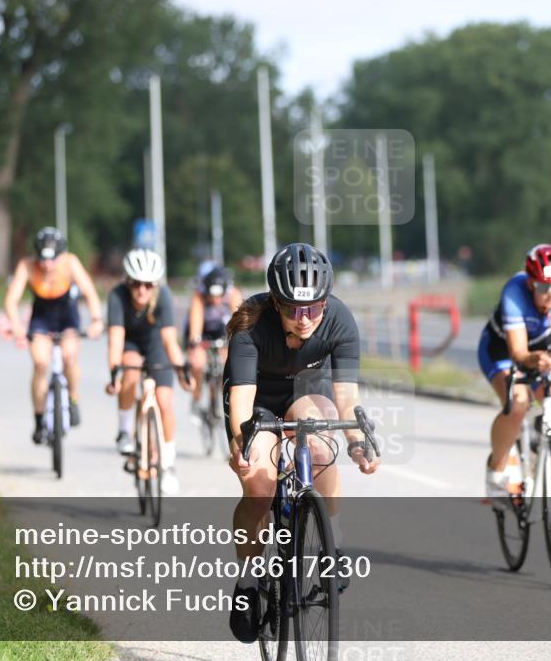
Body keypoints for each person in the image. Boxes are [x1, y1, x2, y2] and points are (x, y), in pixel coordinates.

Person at [223, 242, 380, 643]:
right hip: (256, 400)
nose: (305, 318)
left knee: (321, 446)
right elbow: (241, 400)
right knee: (259, 489)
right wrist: (242, 445)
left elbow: (346, 396)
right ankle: (248, 582)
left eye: (314, 307)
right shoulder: (251, 325)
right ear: (276, 303)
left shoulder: (339, 319)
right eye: (294, 309)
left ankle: (333, 541)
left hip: (307, 391)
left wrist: (357, 442)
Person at [476, 244, 551, 501]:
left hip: (543, 347)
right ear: (530, 284)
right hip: (502, 349)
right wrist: (533, 360)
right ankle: (497, 469)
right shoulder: (514, 293)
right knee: (517, 405)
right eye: (543, 287)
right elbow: (519, 354)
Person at [4, 227, 104, 445]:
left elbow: (89, 291)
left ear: (60, 255)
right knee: (40, 363)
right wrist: (16, 325)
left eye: (52, 260)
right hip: (41, 318)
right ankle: (39, 419)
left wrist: (96, 320)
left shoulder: (70, 263)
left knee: (70, 356)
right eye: (42, 259)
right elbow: (11, 299)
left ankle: (73, 399)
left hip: (67, 317)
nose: (47, 265)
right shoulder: (27, 266)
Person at [105, 248, 191, 494]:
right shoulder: (117, 296)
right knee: (131, 371)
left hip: (156, 343)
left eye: (148, 285)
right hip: (130, 343)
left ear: (156, 284)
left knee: (164, 400)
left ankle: (168, 464)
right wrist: (114, 375)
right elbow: (115, 340)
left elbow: (170, 340)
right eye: (136, 284)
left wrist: (182, 371)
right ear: (127, 281)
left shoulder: (163, 295)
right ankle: (124, 431)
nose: (142, 290)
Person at [185, 265, 243, 414]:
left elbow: (240, 324)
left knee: (228, 360)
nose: (216, 300)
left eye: (219, 296)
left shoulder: (233, 294)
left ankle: (223, 396)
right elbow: (195, 325)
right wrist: (195, 343)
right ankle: (197, 397)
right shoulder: (199, 296)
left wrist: (238, 342)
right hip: (203, 330)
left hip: (221, 330)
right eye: (212, 296)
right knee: (197, 362)